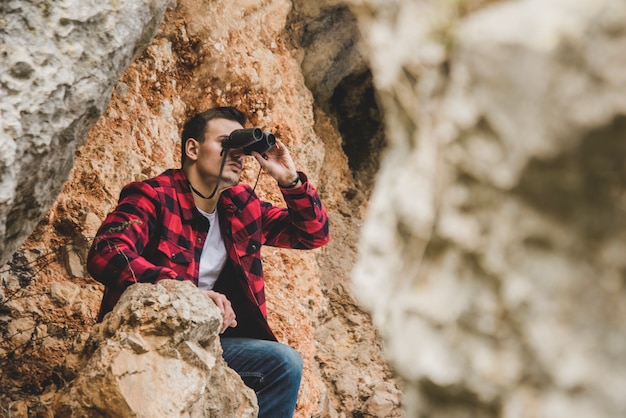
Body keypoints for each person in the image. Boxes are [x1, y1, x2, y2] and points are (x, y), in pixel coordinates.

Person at [86, 106, 330, 417]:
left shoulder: (242, 206)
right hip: (151, 340)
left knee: (283, 364)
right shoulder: (155, 195)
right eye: (226, 143)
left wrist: (290, 179)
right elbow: (107, 251)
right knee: (282, 362)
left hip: (210, 343)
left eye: (242, 149)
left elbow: (313, 234)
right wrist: (184, 294)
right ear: (193, 148)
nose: (238, 156)